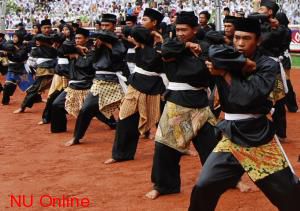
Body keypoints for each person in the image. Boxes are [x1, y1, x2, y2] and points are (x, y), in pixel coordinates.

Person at [188, 17, 300, 211]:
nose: (240, 43)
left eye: (246, 38)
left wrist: (225, 73)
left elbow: (247, 97)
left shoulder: (267, 65)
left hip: (258, 137)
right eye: (237, 37)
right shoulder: (226, 54)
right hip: (230, 137)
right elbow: (214, 50)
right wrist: (240, 64)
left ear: (258, 40)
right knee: (204, 186)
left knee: (288, 194)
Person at [145, 11, 218, 200]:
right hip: (176, 101)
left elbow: (203, 72)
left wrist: (192, 54)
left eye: (184, 30)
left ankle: (223, 180)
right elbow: (166, 51)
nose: (180, 33)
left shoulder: (205, 47)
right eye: (177, 29)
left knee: (212, 146)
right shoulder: (172, 44)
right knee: (164, 147)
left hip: (200, 103)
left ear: (195, 29)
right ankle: (164, 185)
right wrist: (185, 45)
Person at [104, 8, 165, 164]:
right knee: (125, 117)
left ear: (155, 22)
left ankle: (178, 148)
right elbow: (131, 29)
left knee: (166, 120)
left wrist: (160, 42)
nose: (141, 22)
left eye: (145, 19)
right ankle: (121, 154)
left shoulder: (165, 39)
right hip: (137, 82)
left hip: (159, 86)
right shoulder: (140, 35)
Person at [64, 29, 128, 146]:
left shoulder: (118, 45)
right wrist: (76, 48)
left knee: (130, 110)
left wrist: (106, 44)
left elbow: (120, 55)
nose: (96, 41)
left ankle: (144, 131)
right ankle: (76, 137)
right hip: (99, 83)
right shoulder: (93, 49)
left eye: (106, 25)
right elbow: (64, 48)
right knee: (86, 109)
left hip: (117, 81)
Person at [50, 28, 94, 133]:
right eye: (76, 38)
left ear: (86, 39)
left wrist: (77, 56)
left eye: (80, 38)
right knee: (56, 104)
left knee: (96, 110)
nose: (77, 40)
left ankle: (113, 124)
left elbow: (85, 65)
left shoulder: (91, 51)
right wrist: (76, 48)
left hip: (88, 85)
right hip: (73, 86)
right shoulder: (73, 48)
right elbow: (61, 50)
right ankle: (59, 129)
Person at [14, 19, 57, 114]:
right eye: (44, 28)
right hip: (44, 69)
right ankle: (23, 107)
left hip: (59, 68)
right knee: (35, 88)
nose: (47, 29)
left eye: (49, 27)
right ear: (40, 29)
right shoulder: (38, 37)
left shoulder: (55, 36)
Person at [276, 12, 298, 112]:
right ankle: (290, 105)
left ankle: (292, 106)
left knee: (285, 81)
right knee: (281, 81)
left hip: (283, 57)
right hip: (282, 57)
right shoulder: (286, 30)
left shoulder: (283, 31)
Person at [1, 31, 31, 105]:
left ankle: (36, 99)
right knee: (8, 85)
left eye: (16, 37)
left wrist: (10, 53)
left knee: (29, 87)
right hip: (12, 68)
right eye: (13, 37)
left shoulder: (24, 47)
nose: (14, 38)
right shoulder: (10, 45)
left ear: (20, 38)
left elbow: (19, 57)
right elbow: (3, 48)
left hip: (22, 69)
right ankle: (5, 101)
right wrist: (4, 53)